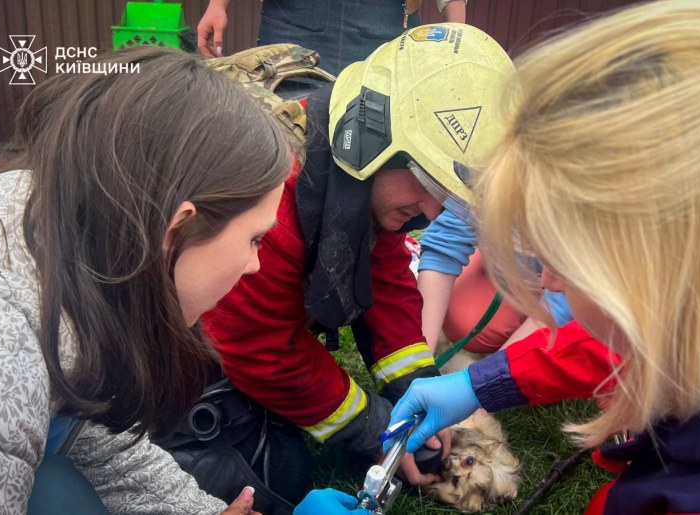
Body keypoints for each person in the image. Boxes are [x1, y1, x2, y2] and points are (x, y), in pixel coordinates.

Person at [389, 1, 700, 512]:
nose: (548, 281)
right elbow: (614, 346)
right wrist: (481, 383)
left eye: (563, 261)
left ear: (657, 273)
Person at [0, 46, 295, 513]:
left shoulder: (59, 230)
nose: (255, 264)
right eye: (256, 239)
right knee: (61, 496)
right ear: (177, 231)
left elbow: (87, 432)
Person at [199, 22, 515, 491]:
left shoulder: (355, 170)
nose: (430, 213)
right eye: (430, 186)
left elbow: (383, 279)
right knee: (268, 471)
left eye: (448, 199)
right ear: (372, 138)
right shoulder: (270, 198)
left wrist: (416, 391)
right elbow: (259, 348)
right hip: (152, 319)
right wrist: (375, 431)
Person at [418, 208, 573, 358]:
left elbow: (564, 303)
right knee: (464, 322)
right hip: (513, 273)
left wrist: (490, 374)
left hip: (575, 291)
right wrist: (421, 356)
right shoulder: (487, 184)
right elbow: (446, 240)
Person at [196, 0, 467, 74]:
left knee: (373, 149)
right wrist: (218, 4)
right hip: (294, 19)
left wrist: (460, 35)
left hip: (385, 25)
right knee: (284, 135)